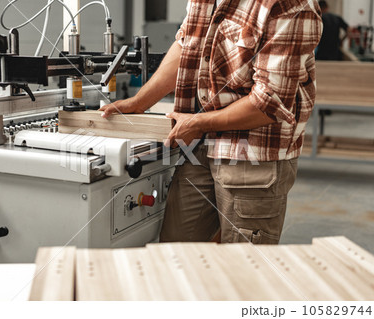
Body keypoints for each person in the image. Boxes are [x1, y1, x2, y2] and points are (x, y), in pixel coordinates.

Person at [101, 0, 323, 244]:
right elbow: (187, 46)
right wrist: (139, 102)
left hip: (254, 153)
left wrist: (197, 123)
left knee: (243, 264)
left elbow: (268, 102)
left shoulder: (288, 5)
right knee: (177, 250)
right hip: (202, 144)